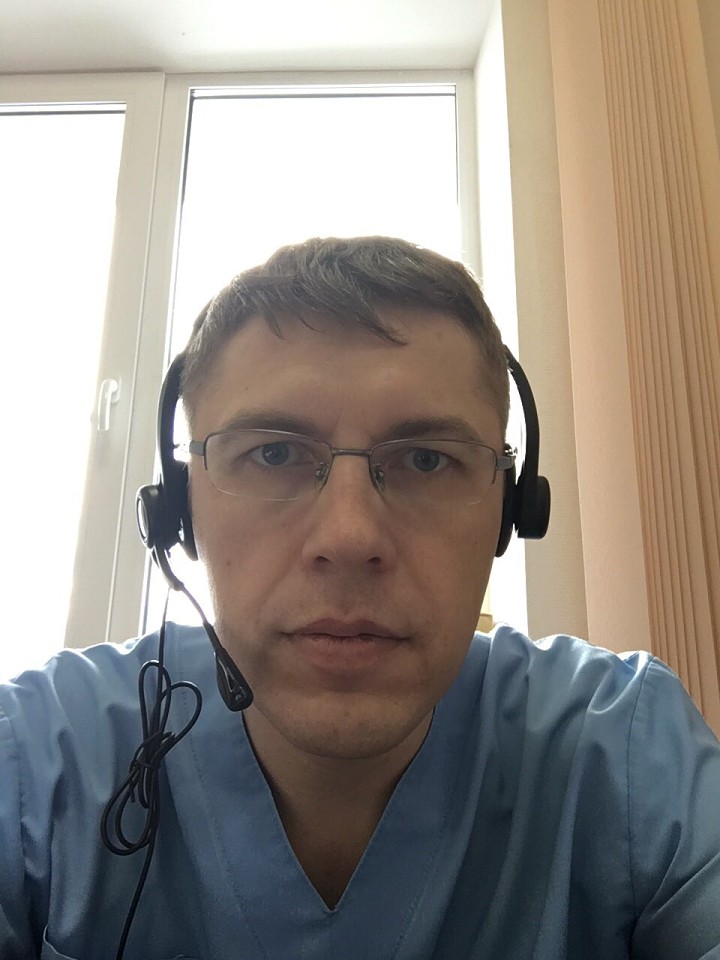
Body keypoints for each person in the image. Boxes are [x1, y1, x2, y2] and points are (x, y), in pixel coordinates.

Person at [1, 236, 718, 960]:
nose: (348, 538)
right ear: (180, 510)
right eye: (274, 453)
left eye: (426, 460)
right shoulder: (34, 761)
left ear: (511, 510)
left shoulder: (629, 755)